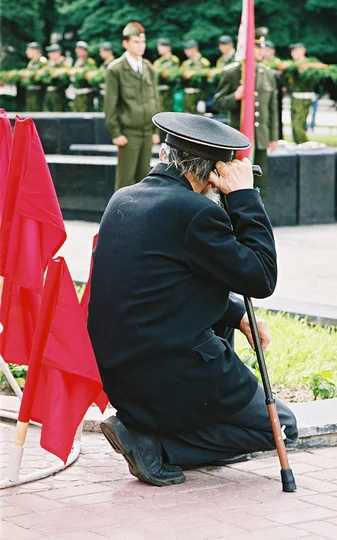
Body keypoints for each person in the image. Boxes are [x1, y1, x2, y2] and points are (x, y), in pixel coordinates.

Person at [88, 112, 298, 487]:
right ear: (213, 171)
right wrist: (244, 196)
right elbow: (261, 276)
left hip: (120, 371)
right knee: (281, 427)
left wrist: (236, 316)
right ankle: (158, 445)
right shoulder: (195, 211)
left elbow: (166, 282)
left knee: (224, 358)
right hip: (169, 372)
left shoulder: (126, 196)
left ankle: (148, 428)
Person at [212, 35, 279, 206]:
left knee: (260, 182)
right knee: (236, 181)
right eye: (256, 47)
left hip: (261, 136)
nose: (260, 51)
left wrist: (273, 136)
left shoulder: (267, 73)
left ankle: (259, 215)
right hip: (238, 136)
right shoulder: (232, 72)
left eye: (262, 47)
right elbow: (218, 102)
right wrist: (235, 96)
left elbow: (272, 108)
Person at [104, 21, 160, 189]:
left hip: (147, 132)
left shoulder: (148, 68)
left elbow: (155, 100)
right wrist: (115, 132)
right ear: (125, 43)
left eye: (142, 42)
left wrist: (155, 130)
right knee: (126, 181)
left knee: (145, 179)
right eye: (136, 42)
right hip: (128, 133)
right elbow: (110, 104)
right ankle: (120, 215)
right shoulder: (116, 69)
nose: (141, 46)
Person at [278, 43, 328, 144]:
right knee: (294, 122)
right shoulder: (292, 65)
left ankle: (302, 142)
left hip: (304, 96)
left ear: (303, 51)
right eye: (292, 51)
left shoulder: (310, 62)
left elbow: (324, 67)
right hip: (294, 97)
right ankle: (298, 142)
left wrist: (306, 66)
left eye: (296, 51)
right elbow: (280, 67)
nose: (293, 54)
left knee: (299, 123)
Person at [180, 39, 210, 114]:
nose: (185, 51)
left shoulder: (204, 63)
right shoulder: (185, 64)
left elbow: (206, 84)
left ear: (195, 48)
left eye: (188, 49)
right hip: (187, 97)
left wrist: (202, 100)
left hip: (198, 96)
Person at [153, 38, 180, 113]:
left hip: (169, 94)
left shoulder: (174, 60)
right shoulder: (157, 62)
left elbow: (173, 75)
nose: (158, 48)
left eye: (161, 46)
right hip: (158, 94)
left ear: (168, 48)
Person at [71, 41, 97, 112]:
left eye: (82, 50)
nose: (79, 52)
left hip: (86, 94)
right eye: (78, 50)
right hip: (77, 93)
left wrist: (78, 72)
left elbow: (88, 75)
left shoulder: (90, 62)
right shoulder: (77, 62)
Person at [44, 44, 69, 112]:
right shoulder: (49, 65)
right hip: (49, 93)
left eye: (52, 52)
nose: (49, 55)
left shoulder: (63, 65)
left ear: (58, 53)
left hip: (59, 93)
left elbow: (66, 82)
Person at [23, 42, 47, 111]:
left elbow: (44, 76)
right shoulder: (31, 62)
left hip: (39, 91)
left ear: (36, 51)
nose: (26, 52)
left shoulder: (42, 61)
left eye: (29, 50)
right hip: (31, 91)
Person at [97, 42, 116, 110]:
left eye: (102, 51)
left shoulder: (114, 64)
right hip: (103, 95)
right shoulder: (104, 64)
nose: (100, 54)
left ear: (109, 52)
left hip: (110, 96)